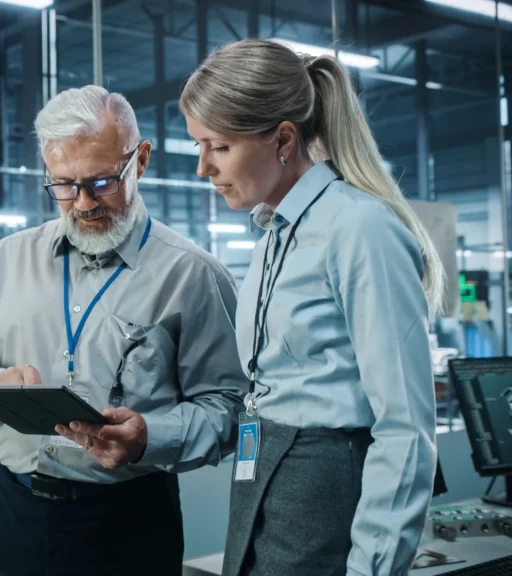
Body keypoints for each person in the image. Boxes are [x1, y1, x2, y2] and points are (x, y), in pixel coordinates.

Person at [0, 85, 247, 576]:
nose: (82, 203)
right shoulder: (2, 264)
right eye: (62, 185)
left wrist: (150, 438)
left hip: (129, 522)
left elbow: (230, 408)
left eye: (102, 182)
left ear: (139, 161)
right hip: (16, 515)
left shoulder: (193, 276)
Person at [179, 39, 441, 576]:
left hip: (326, 488)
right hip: (264, 477)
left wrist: (373, 568)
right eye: (199, 145)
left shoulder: (358, 229)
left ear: (282, 139)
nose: (203, 167)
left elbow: (406, 428)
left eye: (219, 147)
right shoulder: (272, 238)